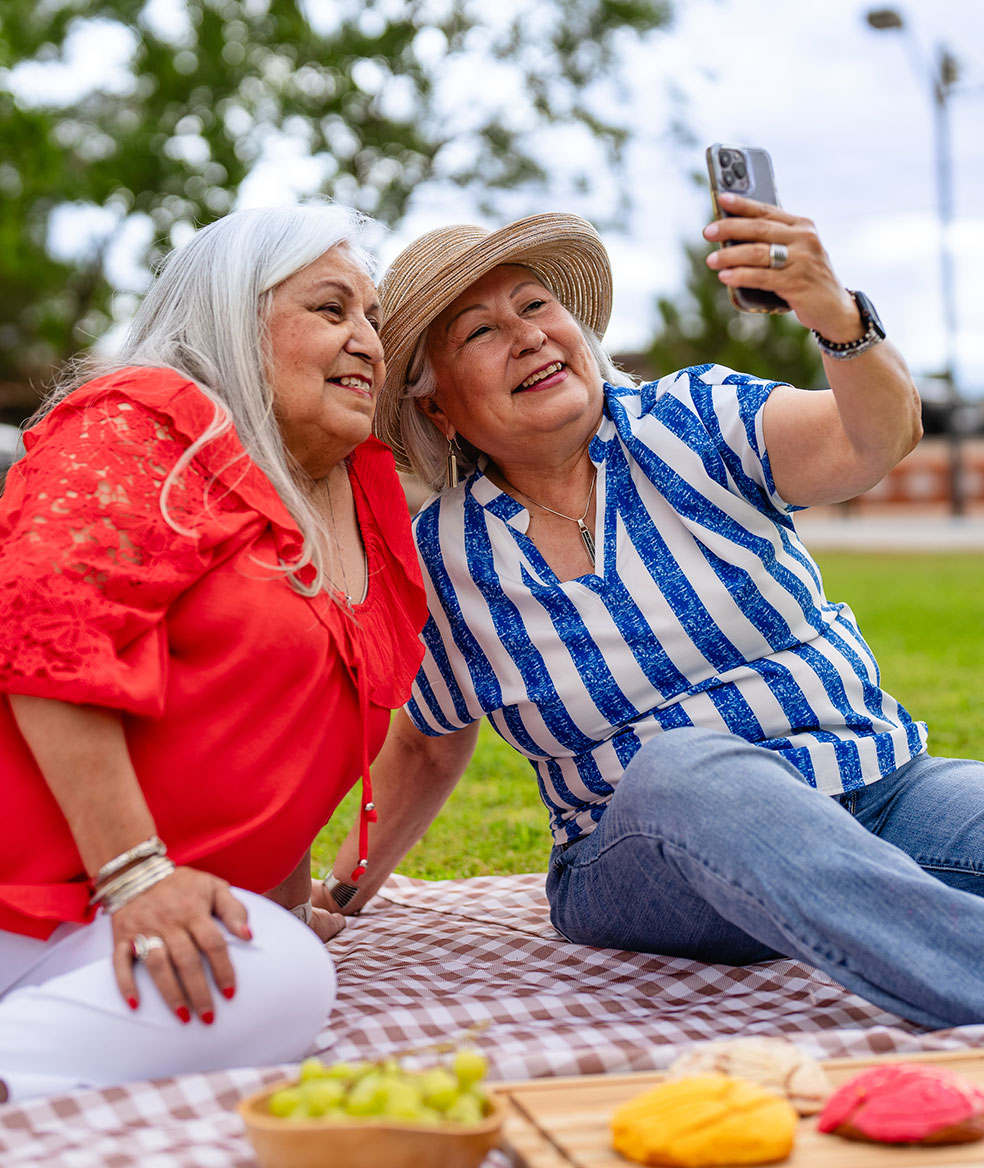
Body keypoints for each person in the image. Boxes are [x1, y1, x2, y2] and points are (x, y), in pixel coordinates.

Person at [0, 202, 427, 1154]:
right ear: (230, 320)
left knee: (273, 973)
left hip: (43, 912)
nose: (367, 340)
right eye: (331, 308)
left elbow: (286, 722)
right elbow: (47, 632)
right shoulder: (150, 419)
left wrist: (276, 899)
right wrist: (141, 877)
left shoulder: (372, 504)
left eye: (373, 317)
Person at [314, 192, 984, 1030]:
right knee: (679, 769)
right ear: (438, 407)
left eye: (535, 305)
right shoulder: (443, 558)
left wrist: (833, 316)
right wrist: (342, 893)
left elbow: (873, 439)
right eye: (479, 332)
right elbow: (425, 742)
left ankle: (859, 904)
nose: (527, 334)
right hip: (639, 857)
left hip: (877, 786)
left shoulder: (696, 419)